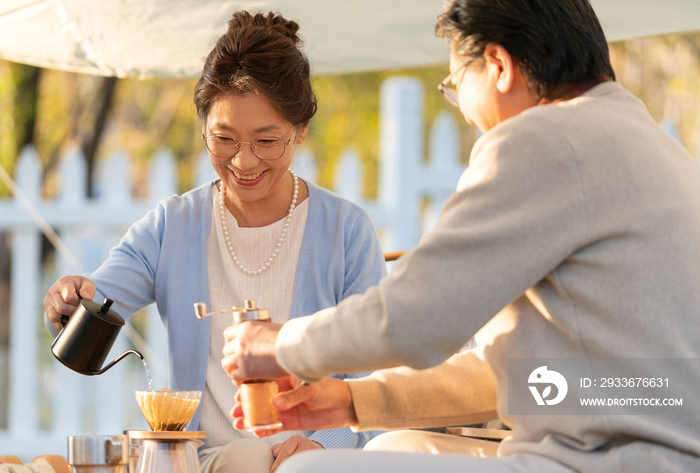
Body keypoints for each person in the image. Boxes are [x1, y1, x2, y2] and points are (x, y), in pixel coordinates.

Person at [221, 1, 700, 472]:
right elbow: (526, 378)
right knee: (401, 448)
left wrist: (279, 346)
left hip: (603, 461)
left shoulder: (545, 139)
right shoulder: (656, 148)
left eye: (455, 85)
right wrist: (350, 399)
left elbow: (416, 313)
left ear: (497, 65)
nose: (465, 113)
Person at [42, 10, 387, 473]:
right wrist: (68, 300)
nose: (243, 161)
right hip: (208, 460)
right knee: (245, 457)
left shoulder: (345, 231)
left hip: (316, 462)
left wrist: (325, 444)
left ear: (301, 129)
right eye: (223, 138)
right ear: (203, 125)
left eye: (267, 141)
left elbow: (374, 368)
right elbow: (98, 302)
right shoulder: (172, 226)